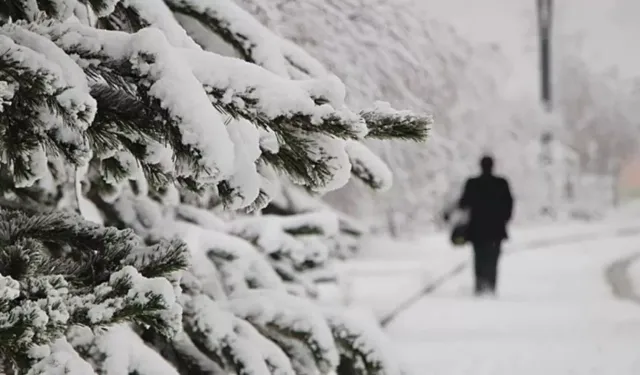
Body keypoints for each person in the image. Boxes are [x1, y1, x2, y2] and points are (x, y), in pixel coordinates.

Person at [458, 155, 513, 296]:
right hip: (496, 229)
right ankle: (491, 285)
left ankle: (480, 285)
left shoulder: (472, 183)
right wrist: (504, 219)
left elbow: (463, 203)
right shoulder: (501, 183)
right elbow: (509, 204)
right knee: (493, 258)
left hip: (477, 229)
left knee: (479, 257)